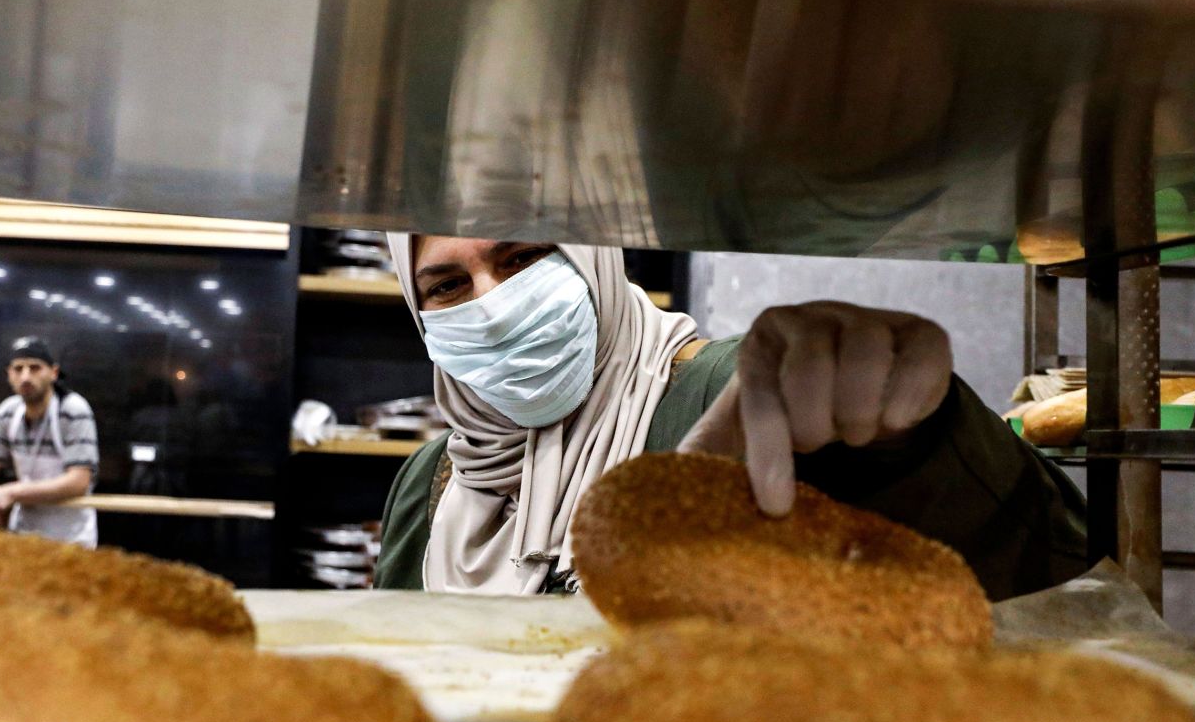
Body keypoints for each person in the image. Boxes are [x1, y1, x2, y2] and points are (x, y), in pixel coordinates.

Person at [376, 237, 1089, 598]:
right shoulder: (428, 483)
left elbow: (1027, 572)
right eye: (446, 284)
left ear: (589, 253)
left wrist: (918, 440)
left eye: (524, 256)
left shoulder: (733, 393)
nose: (495, 301)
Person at [0, 336, 99, 546]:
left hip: (70, 538)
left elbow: (78, 482)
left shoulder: (73, 409)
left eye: (35, 368)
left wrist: (9, 493)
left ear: (53, 373)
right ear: (8, 374)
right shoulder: (7, 412)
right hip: (23, 533)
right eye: (18, 369)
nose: (25, 376)